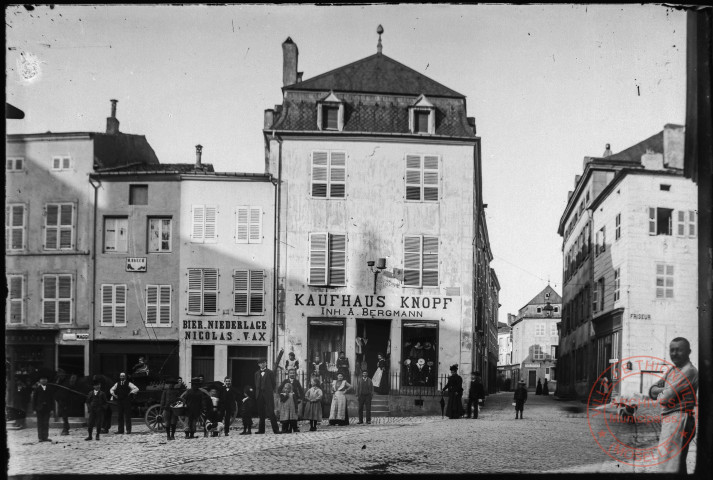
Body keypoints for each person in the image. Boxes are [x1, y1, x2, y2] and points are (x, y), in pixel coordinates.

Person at [649, 337, 699, 474]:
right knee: (674, 464)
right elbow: (651, 390)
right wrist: (664, 390)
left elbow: (663, 399)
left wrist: (662, 391)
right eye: (672, 350)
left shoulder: (689, 371)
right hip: (671, 420)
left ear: (689, 351)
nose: (674, 353)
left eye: (679, 350)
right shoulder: (673, 370)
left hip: (680, 419)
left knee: (670, 465)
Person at [254, 357, 280, 434]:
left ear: (266, 363)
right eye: (261, 363)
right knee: (261, 413)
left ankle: (276, 430)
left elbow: (273, 383)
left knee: (271, 412)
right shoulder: (256, 374)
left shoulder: (270, 372)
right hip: (259, 395)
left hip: (268, 394)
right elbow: (256, 384)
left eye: (264, 362)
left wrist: (269, 390)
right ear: (259, 364)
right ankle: (261, 430)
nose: (262, 364)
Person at [32, 374, 54, 442]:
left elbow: (52, 399)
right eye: (42, 379)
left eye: (45, 379)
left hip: (47, 408)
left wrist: (52, 409)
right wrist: (34, 409)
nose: (44, 380)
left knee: (46, 423)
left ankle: (45, 437)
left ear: (47, 380)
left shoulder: (50, 388)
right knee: (40, 423)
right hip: (39, 408)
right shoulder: (37, 389)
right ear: (40, 381)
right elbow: (34, 400)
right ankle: (40, 437)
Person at [54, 370, 71, 435]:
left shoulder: (67, 381)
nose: (60, 375)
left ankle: (66, 428)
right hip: (61, 400)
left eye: (61, 374)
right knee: (64, 415)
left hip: (66, 400)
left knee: (65, 414)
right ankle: (66, 427)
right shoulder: (58, 381)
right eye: (59, 374)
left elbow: (66, 391)